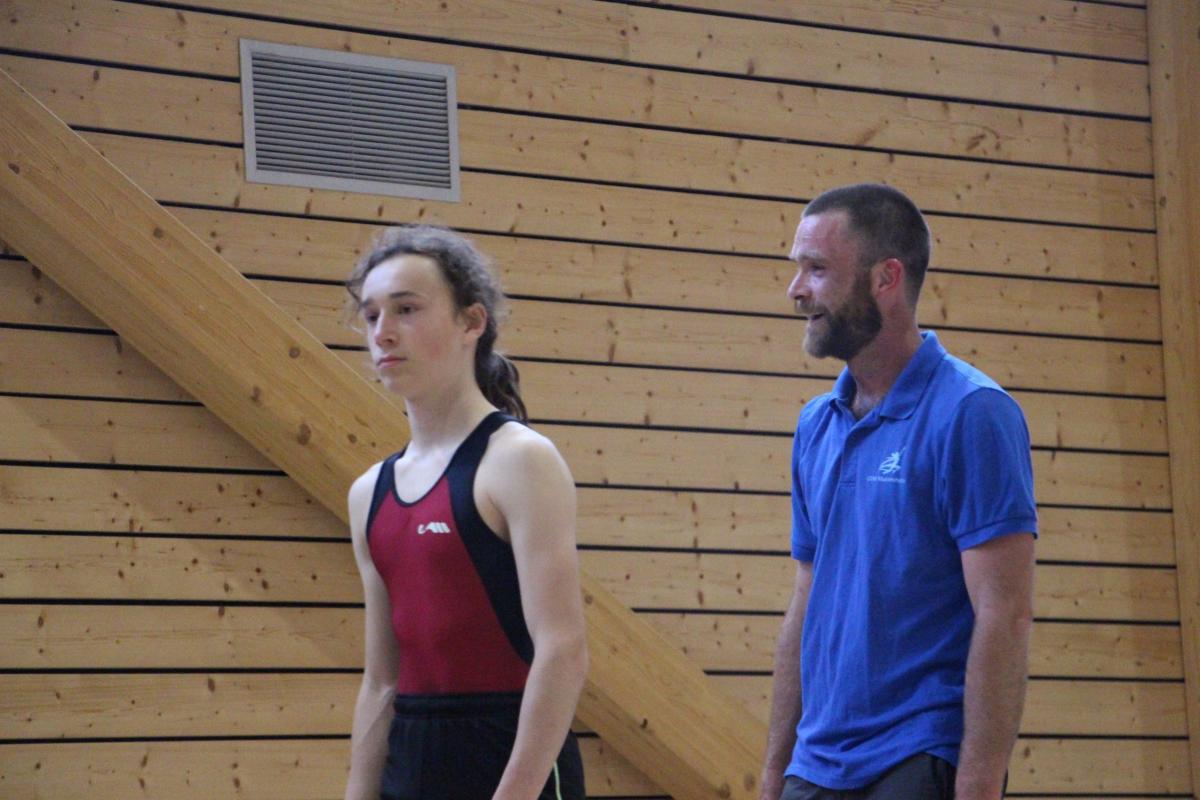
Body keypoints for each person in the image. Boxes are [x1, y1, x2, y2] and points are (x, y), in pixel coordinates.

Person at [759, 184, 1038, 800]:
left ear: (886, 278)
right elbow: (805, 603)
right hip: (816, 764)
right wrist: (774, 773)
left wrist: (979, 784)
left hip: (916, 757)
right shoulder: (816, 425)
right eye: (797, 268)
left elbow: (1004, 615)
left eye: (817, 268)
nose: (796, 289)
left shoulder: (973, 413)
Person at [342, 226, 588, 800]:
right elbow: (382, 681)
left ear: (471, 322)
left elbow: (563, 651)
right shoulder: (368, 493)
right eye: (371, 315)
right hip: (411, 763)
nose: (383, 332)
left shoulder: (520, 461)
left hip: (511, 762)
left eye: (406, 309)